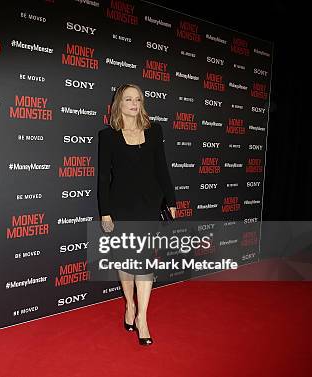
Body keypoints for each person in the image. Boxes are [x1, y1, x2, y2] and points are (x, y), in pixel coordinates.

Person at [97, 83, 177, 346]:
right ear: (119, 103)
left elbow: (162, 169)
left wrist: (171, 200)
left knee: (144, 263)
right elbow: (103, 178)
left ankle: (142, 317)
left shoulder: (155, 132)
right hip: (121, 207)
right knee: (125, 261)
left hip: (148, 206)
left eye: (138, 99)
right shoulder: (107, 137)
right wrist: (105, 212)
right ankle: (129, 305)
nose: (134, 103)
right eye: (128, 99)